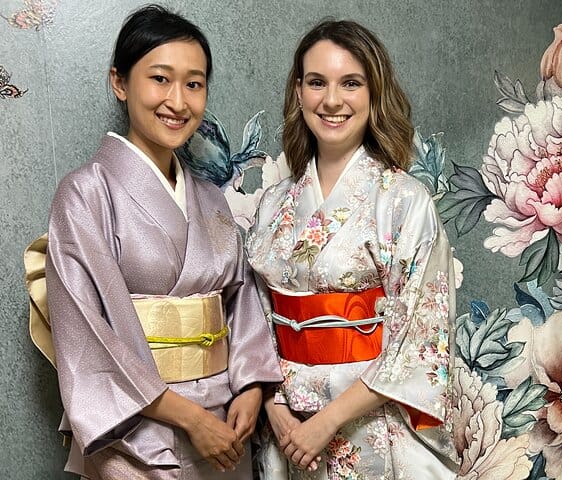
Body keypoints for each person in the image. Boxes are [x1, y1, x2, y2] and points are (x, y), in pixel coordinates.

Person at [44, 4, 282, 479]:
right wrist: (190, 418)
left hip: (224, 426)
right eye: (160, 79)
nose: (178, 101)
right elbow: (88, 336)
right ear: (120, 82)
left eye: (194, 84)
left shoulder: (210, 198)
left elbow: (241, 304)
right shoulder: (85, 193)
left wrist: (251, 388)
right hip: (136, 429)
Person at [245, 19, 459, 479]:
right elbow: (255, 321)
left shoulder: (403, 201)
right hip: (287, 428)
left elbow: (420, 338)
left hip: (371, 424)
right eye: (317, 82)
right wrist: (276, 409)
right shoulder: (274, 204)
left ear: (373, 92)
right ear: (298, 91)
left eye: (351, 83)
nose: (332, 100)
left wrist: (326, 422)